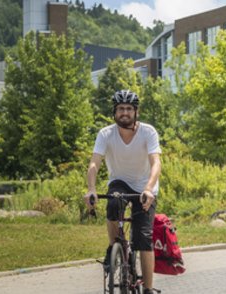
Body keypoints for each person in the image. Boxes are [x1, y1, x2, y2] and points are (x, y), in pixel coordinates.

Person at [84, 89, 162, 294]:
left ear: (136, 111)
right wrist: (91, 189)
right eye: (120, 109)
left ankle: (148, 288)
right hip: (119, 182)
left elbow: (156, 163)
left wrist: (148, 189)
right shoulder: (105, 134)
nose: (124, 112)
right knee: (112, 204)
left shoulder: (148, 132)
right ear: (114, 112)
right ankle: (114, 248)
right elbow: (94, 163)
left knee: (144, 237)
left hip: (145, 187)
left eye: (128, 108)